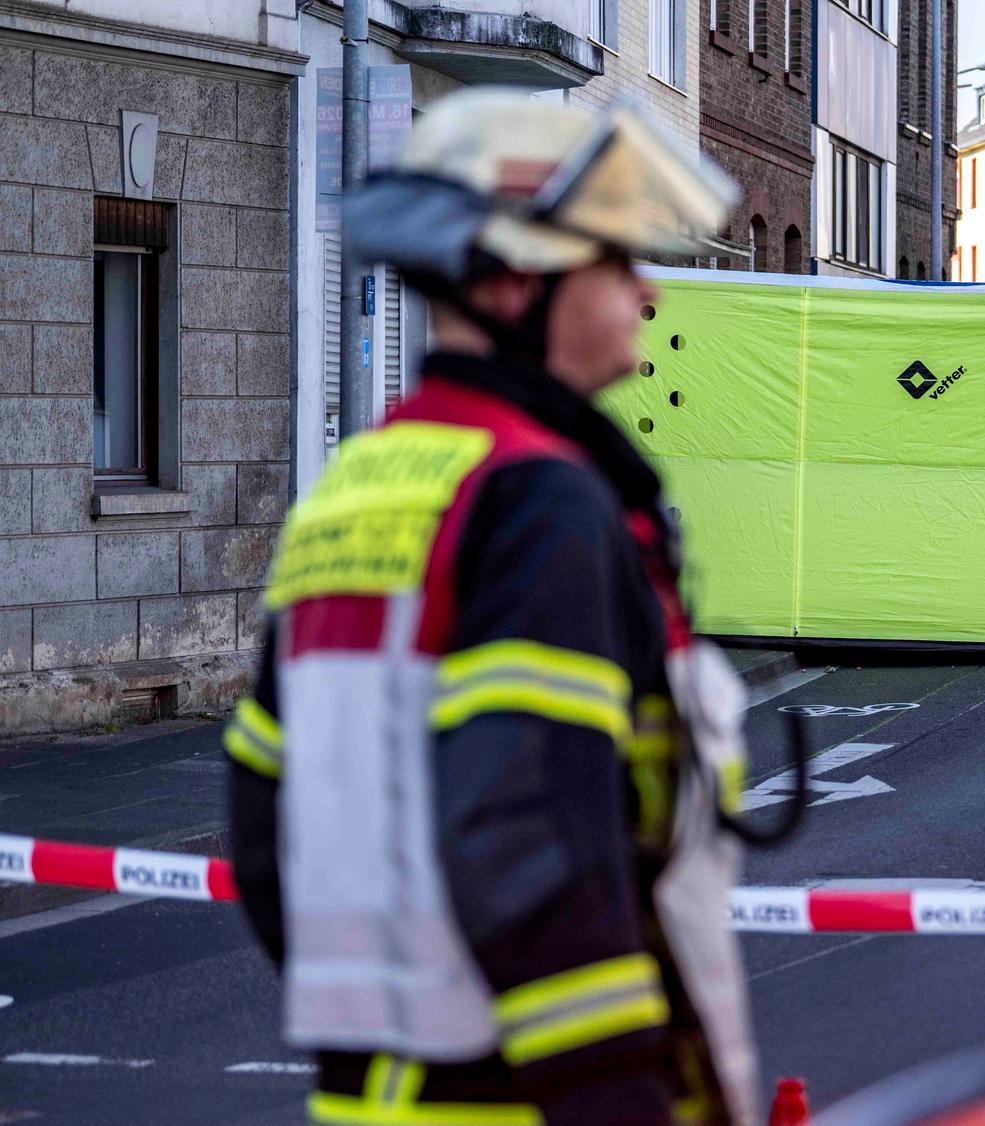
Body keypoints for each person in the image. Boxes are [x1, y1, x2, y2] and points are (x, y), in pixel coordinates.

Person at [224, 89, 760, 1125]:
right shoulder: (537, 497)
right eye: (616, 257)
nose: (646, 290)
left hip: (373, 1099)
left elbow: (263, 821)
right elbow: (529, 838)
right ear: (517, 278)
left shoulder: (358, 486)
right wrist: (612, 1099)